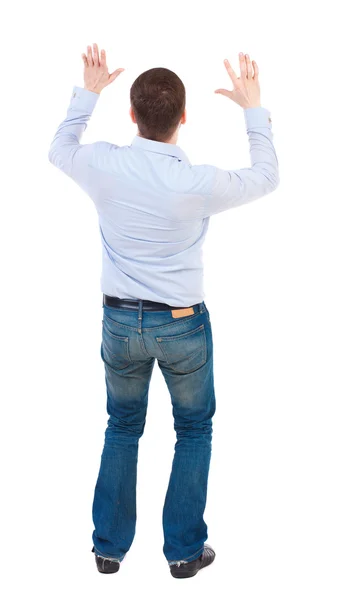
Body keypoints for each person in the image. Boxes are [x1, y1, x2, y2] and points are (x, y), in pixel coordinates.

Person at [48, 43, 279, 579]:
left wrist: (88, 92)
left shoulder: (102, 164)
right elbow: (266, 176)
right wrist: (252, 109)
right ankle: (183, 553)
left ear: (131, 115)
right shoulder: (197, 182)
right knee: (194, 429)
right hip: (182, 326)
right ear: (182, 119)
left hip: (120, 323)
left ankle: (109, 549)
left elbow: (59, 149)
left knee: (122, 425)